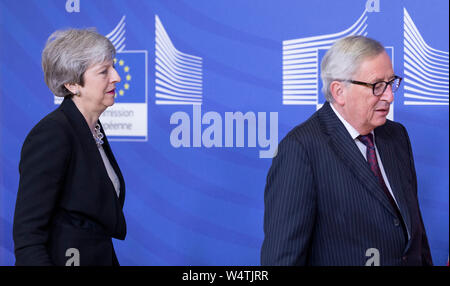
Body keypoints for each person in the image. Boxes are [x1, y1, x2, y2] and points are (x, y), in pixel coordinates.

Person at [261, 35, 432, 266]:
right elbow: (282, 260)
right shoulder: (300, 150)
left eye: (391, 83)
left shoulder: (396, 136)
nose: (390, 96)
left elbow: (415, 238)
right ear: (339, 91)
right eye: (377, 86)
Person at [13, 28, 126, 266]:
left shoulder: (92, 129)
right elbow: (28, 237)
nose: (116, 76)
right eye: (104, 71)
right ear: (73, 84)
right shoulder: (53, 134)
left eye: (113, 67)